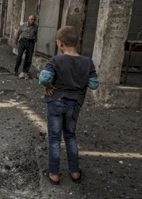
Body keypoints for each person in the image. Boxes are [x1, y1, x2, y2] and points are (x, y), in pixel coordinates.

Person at [38, 26, 99, 185]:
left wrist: (48, 85)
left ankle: (54, 174)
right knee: (70, 136)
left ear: (60, 43)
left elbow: (44, 78)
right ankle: (75, 173)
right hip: (74, 104)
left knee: (54, 139)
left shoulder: (55, 60)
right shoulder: (88, 62)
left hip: (56, 102)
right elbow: (93, 84)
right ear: (76, 43)